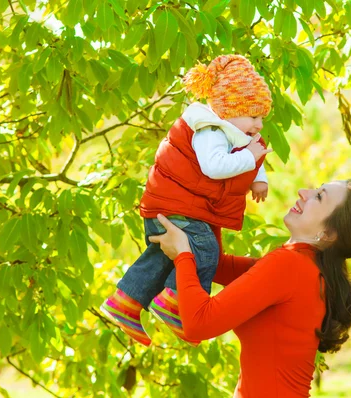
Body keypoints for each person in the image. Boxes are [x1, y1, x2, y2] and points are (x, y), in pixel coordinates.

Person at [149, 180, 351, 397]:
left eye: (319, 196)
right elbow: (217, 265)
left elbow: (198, 323)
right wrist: (214, 203)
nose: (303, 192)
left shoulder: (291, 266)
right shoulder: (303, 265)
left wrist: (183, 254)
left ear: (329, 234)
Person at [101, 54, 274, 346]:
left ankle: (125, 302)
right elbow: (215, 166)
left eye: (261, 118)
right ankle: (176, 304)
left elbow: (253, 157)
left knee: (160, 261)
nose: (259, 124)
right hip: (176, 209)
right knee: (206, 251)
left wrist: (259, 178)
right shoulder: (210, 131)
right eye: (253, 115)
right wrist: (249, 158)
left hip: (174, 209)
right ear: (228, 110)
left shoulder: (234, 133)